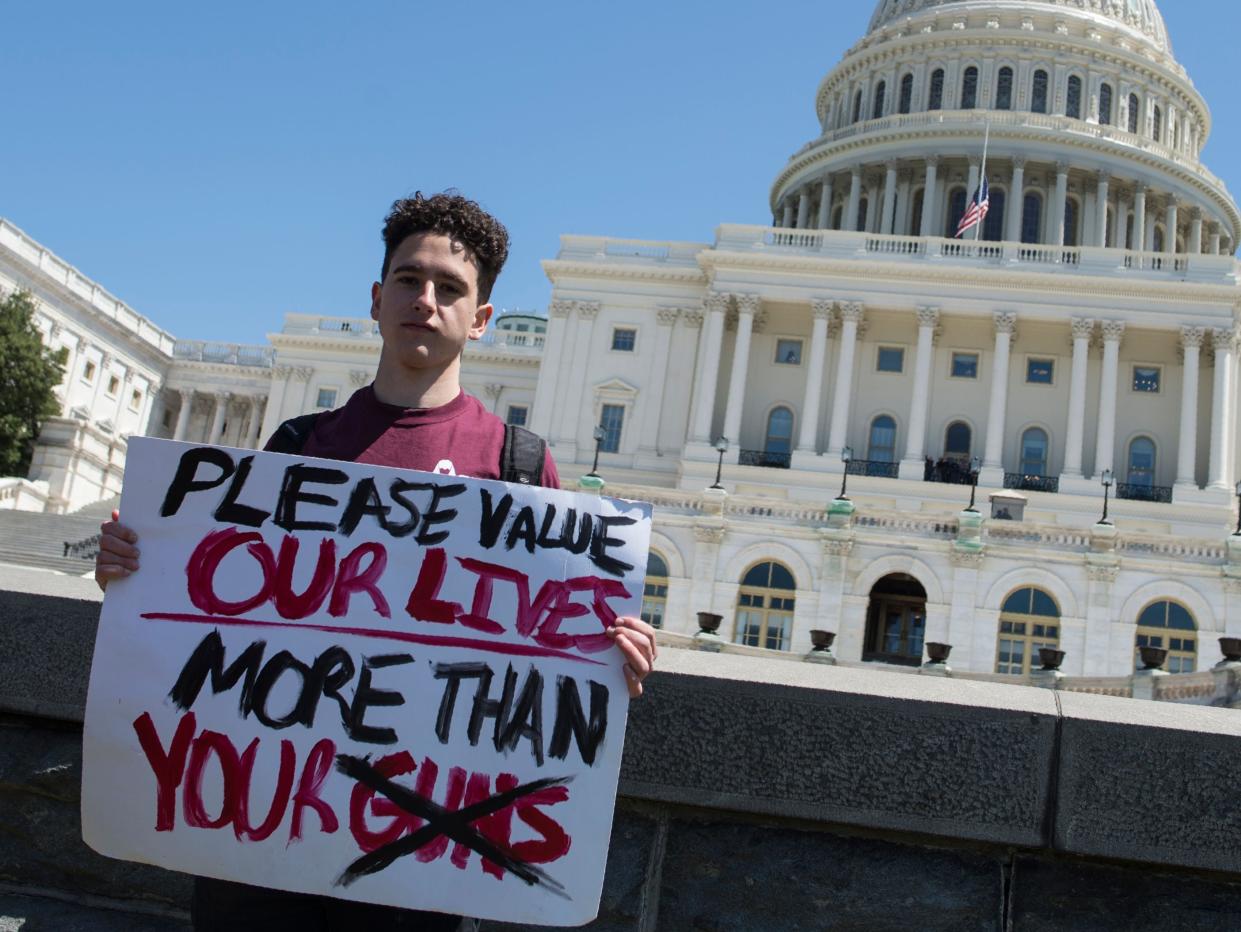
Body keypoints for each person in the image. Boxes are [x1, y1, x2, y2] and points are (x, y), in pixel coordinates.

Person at [95, 191, 658, 932]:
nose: (426, 301)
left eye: (450, 289)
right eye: (409, 279)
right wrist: (138, 570)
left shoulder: (519, 469)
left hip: (415, 869)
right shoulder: (297, 448)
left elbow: (548, 660)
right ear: (377, 296)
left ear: (481, 319)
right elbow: (219, 608)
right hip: (261, 849)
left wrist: (613, 658)